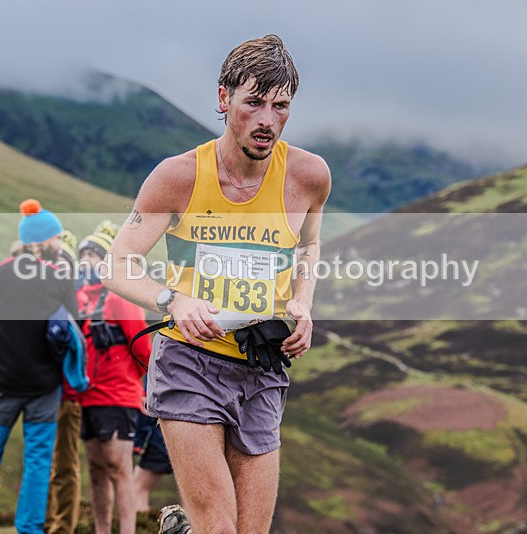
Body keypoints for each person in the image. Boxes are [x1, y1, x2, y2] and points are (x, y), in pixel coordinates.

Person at [105, 34, 330, 533]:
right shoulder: (179, 176)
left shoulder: (308, 176)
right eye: (254, 102)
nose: (267, 119)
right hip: (189, 361)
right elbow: (117, 263)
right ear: (225, 98)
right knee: (220, 526)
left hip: (262, 363)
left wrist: (302, 302)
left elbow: (308, 246)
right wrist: (172, 300)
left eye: (280, 106)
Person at [0, 199, 79, 534]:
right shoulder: (58, 276)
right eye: (56, 237)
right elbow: (75, 320)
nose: (58, 243)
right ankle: (29, 529)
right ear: (44, 240)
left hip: (3, 381)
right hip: (44, 385)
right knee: (37, 462)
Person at [76, 222, 152, 534]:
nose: (86, 260)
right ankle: (101, 530)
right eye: (83, 255)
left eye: (93, 254)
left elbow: (143, 347)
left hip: (119, 397)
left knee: (119, 469)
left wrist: (137, 384)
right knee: (96, 470)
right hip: (88, 397)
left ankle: (128, 530)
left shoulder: (120, 299)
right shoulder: (81, 301)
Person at [45, 229, 84, 534]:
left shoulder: (73, 304)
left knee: (64, 465)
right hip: (43, 394)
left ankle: (62, 528)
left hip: (66, 396)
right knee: (43, 464)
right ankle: (45, 523)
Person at [131, 409, 173, 512]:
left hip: (159, 443)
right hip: (189, 442)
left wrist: (138, 443)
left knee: (138, 488)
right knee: (190, 495)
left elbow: (145, 413)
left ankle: (141, 521)